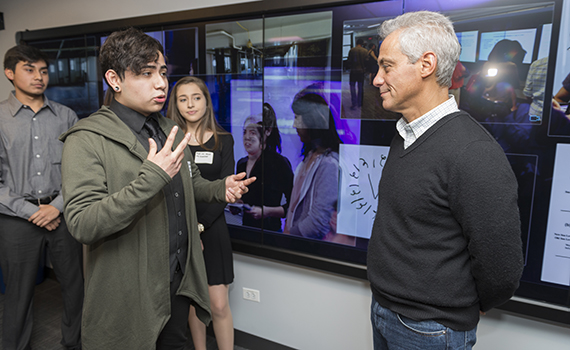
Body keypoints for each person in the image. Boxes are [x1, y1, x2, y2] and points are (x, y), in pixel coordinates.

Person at [59, 28, 254, 350]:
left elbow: (190, 185)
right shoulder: (86, 139)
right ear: (114, 79)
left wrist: (222, 188)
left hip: (177, 280)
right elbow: (82, 222)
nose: (161, 83)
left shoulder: (169, 129)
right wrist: (151, 177)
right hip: (129, 289)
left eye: (162, 72)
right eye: (146, 74)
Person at [368, 11, 523, 350]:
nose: (377, 79)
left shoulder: (474, 153)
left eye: (387, 66)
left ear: (426, 65)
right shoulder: (405, 135)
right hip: (383, 311)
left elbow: (502, 269)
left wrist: (457, 307)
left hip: (431, 330)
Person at [0, 45, 84, 350]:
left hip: (62, 214)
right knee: (18, 294)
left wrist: (56, 207)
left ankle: (73, 343)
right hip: (15, 219)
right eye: (29, 69)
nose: (39, 77)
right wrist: (31, 212)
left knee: (75, 288)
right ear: (10, 73)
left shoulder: (66, 116)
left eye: (44, 70)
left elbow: (80, 172)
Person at [166, 76, 235, 350]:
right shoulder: (170, 141)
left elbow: (225, 190)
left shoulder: (223, 140)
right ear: (176, 104)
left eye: (196, 97)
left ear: (207, 100)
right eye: (183, 99)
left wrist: (201, 226)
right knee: (193, 303)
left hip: (213, 228)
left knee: (218, 305)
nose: (190, 104)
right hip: (180, 229)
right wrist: (189, 227)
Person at [284, 92, 342, 240]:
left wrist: (291, 235)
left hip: (307, 246)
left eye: (297, 118)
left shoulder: (329, 163)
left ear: (311, 120)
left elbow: (318, 222)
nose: (294, 125)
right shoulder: (311, 155)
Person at [236, 103, 294, 231]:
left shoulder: (280, 164)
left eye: (253, 132)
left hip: (270, 233)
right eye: (245, 132)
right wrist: (237, 204)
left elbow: (292, 208)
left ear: (267, 131)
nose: (247, 137)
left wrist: (266, 211)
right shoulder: (241, 164)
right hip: (246, 231)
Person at [347, 39, 368, 109]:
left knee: (352, 87)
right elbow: (367, 62)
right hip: (361, 72)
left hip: (353, 71)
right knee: (360, 87)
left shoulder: (351, 50)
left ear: (356, 43)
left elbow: (349, 61)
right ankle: (360, 103)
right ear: (362, 43)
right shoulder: (365, 51)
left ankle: (354, 103)